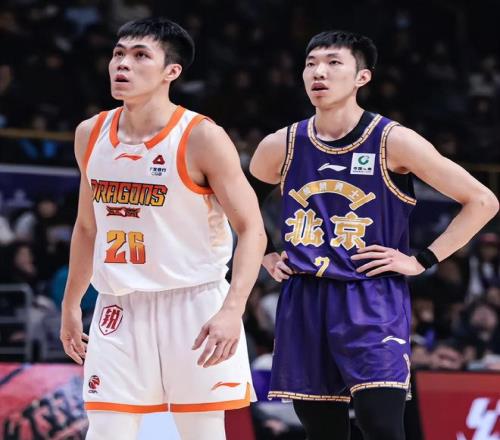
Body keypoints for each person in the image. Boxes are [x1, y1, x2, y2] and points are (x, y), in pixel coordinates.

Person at [250, 30, 499, 440]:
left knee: (380, 424)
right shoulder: (281, 144)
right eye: (311, 64)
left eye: (333, 63)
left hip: (371, 295)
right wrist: (266, 251)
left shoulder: (392, 140)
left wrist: (422, 259)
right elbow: (239, 204)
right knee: (322, 432)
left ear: (361, 77)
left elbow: (483, 200)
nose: (319, 72)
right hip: (305, 296)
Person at [60, 17, 266, 440]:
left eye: (140, 56)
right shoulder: (90, 133)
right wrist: (71, 304)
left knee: (201, 433)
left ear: (171, 71)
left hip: (194, 304)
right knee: (106, 431)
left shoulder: (202, 137)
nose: (123, 64)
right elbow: (86, 228)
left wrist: (233, 309)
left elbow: (252, 229)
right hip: (119, 306)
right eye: (119, 53)